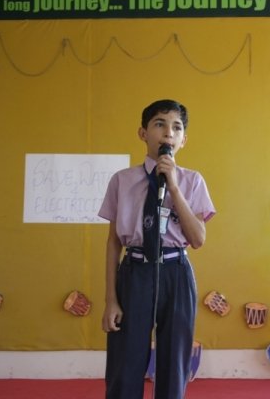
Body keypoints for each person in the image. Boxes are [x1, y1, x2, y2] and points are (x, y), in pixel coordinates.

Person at [98, 99, 215, 399]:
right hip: (135, 271)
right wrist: (111, 299)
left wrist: (173, 186)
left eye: (177, 127)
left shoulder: (192, 181)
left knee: (174, 361)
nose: (168, 133)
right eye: (159, 124)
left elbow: (198, 239)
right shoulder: (122, 181)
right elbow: (113, 242)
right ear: (143, 133)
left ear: (183, 140)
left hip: (176, 271)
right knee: (125, 360)